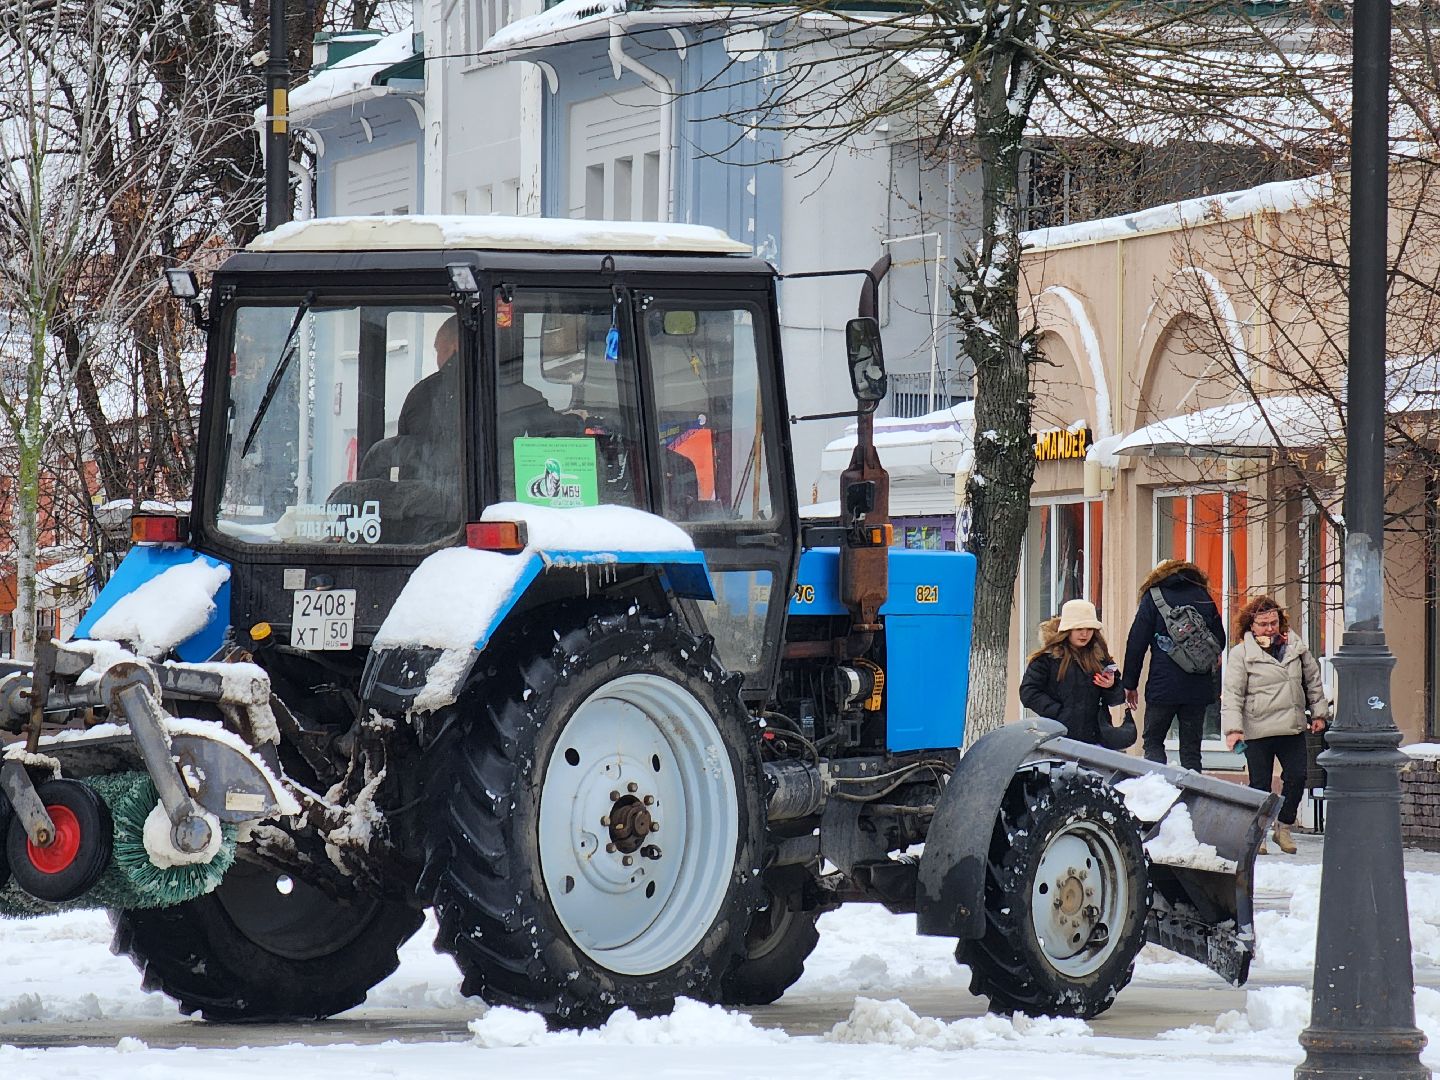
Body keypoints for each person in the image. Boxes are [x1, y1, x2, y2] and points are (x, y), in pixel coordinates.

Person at [1222, 596, 1328, 855]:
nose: (1270, 629)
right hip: (1257, 728)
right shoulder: (1241, 654)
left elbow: (1312, 681)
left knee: (1298, 776)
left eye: (1274, 622)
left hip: (1291, 725)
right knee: (1260, 785)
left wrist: (1319, 713)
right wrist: (1233, 730)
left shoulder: (1296, 648)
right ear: (1251, 625)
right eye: (1263, 624)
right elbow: (1233, 693)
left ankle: (1284, 826)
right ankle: (1258, 834)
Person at [1123, 559, 1225, 772]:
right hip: (1198, 686)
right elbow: (1220, 640)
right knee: (1191, 750)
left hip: (1163, 686)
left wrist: (1130, 684)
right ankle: (1192, 790)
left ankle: (1155, 785)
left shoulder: (1153, 597)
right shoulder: (1203, 596)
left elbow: (1136, 643)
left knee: (1153, 742)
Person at [1020, 599, 1125, 746]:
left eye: (1089, 629)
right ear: (1067, 630)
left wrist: (1111, 686)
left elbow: (1117, 699)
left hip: (1096, 739)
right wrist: (1059, 713)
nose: (1084, 634)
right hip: (1057, 737)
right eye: (1079, 628)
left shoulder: (1101, 658)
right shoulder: (1047, 659)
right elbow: (1028, 692)